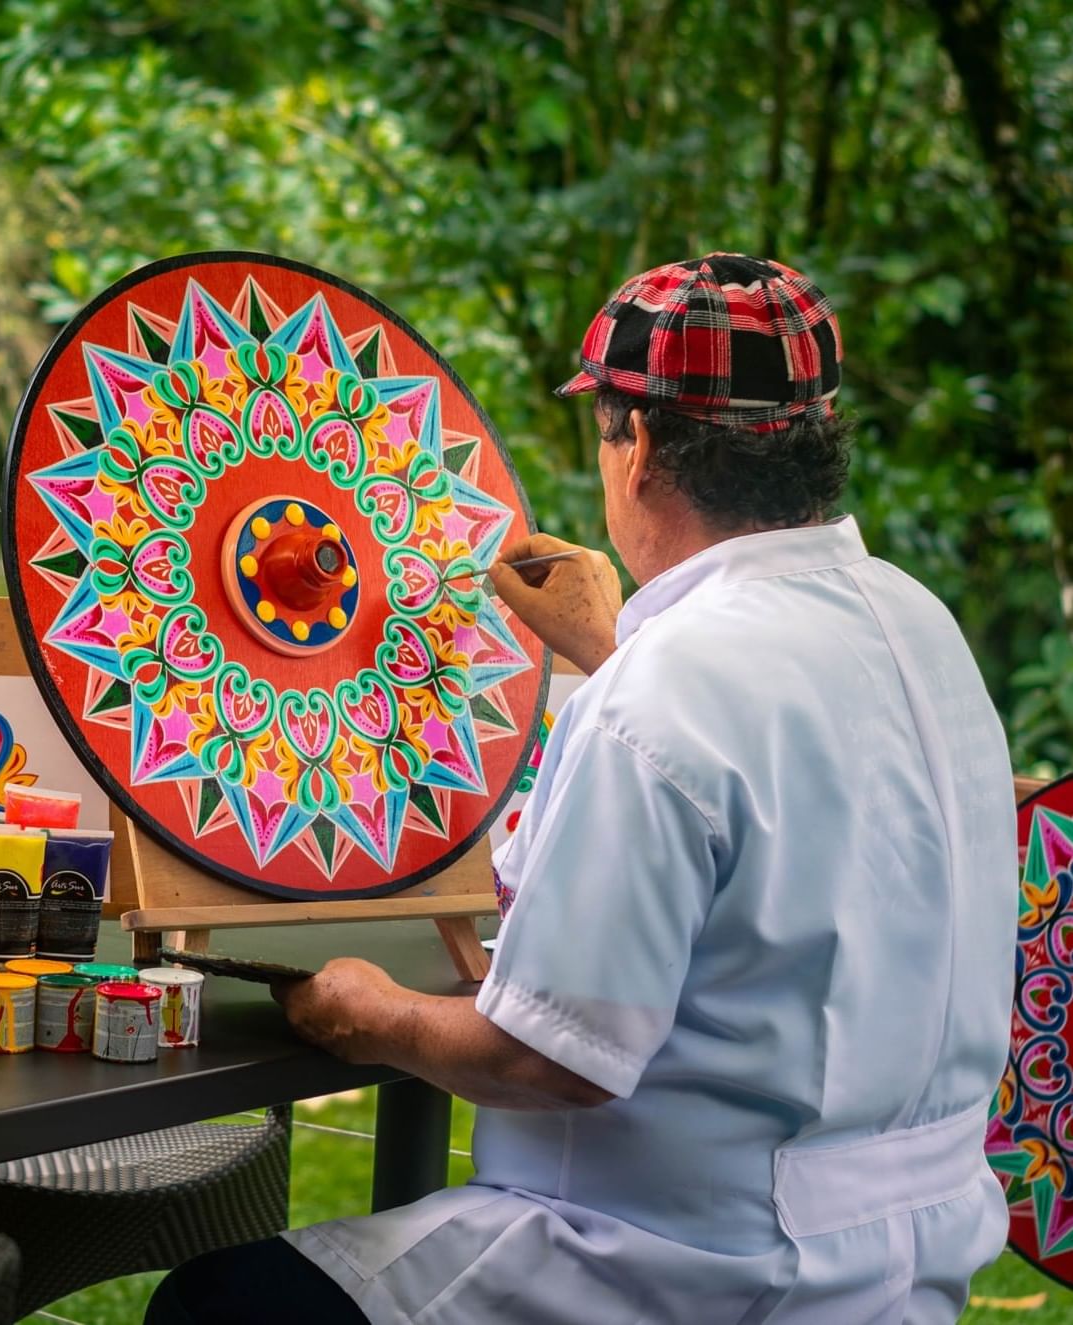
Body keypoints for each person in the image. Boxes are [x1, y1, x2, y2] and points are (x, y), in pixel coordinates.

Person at [145, 253, 1017, 1324]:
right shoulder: (919, 626)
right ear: (817, 434)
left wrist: (372, 1014)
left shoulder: (670, 689)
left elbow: (550, 1056)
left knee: (217, 1304)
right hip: (901, 1272)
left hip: (675, 1267)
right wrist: (617, 649)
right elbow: (782, 798)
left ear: (637, 442)